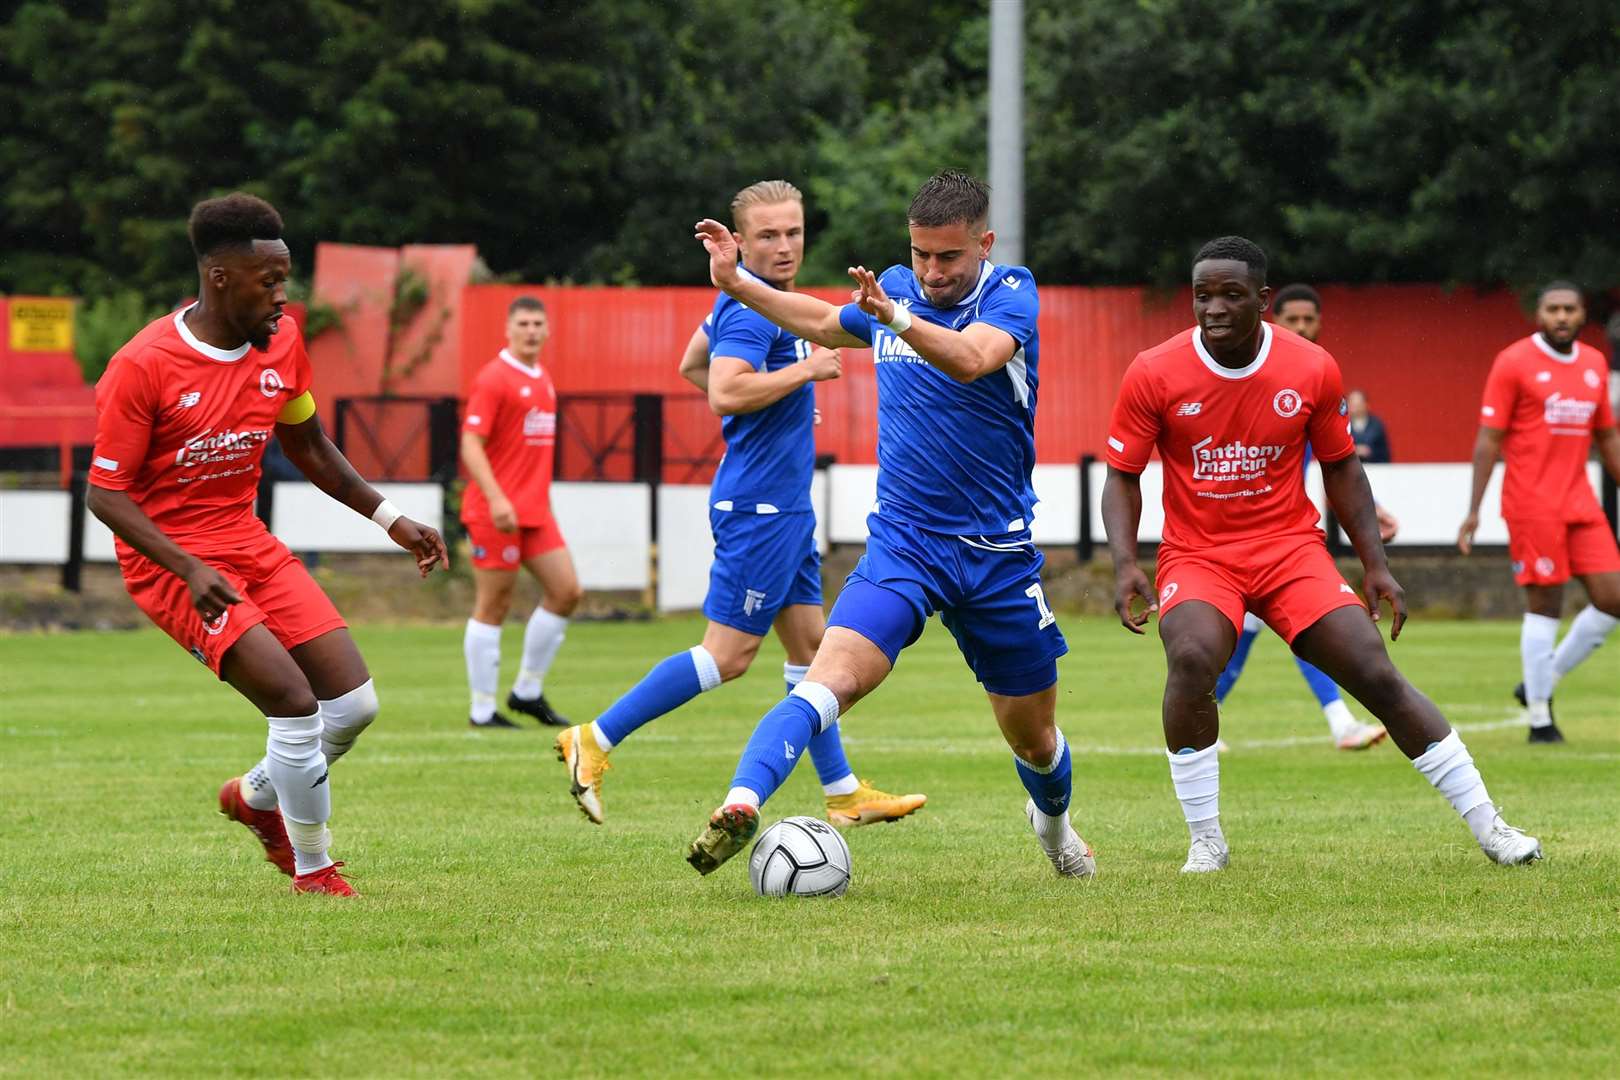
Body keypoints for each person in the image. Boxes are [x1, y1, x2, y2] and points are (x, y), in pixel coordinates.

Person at [683, 170, 1095, 880]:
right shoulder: (894, 288)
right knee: (826, 679)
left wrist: (896, 318)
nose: (932, 273)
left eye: (949, 258)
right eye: (921, 256)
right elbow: (817, 322)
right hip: (905, 545)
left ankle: (1055, 829)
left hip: (998, 557)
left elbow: (971, 360)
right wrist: (737, 282)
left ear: (984, 244)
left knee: (1034, 738)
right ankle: (740, 804)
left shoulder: (1011, 293)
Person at [1102, 236, 1540, 873]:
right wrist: (1123, 563)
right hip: (1200, 555)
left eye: (1231, 294)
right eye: (1202, 295)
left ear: (1264, 300)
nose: (1214, 308)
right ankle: (1206, 840)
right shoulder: (1153, 370)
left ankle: (1492, 826)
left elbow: (1342, 468)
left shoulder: (1310, 366)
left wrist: (1376, 564)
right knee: (1193, 657)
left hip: (1290, 552)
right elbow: (1121, 475)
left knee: (1374, 669)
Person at [87, 193, 449, 896]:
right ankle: (313, 869)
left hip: (246, 541)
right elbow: (105, 494)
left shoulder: (281, 343)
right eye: (269, 282)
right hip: (174, 562)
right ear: (220, 277)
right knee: (292, 702)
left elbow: (307, 444)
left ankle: (254, 798)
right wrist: (188, 567)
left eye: (286, 279)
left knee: (353, 706)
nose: (282, 295)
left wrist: (390, 519)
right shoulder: (144, 365)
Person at [552, 180, 924, 828]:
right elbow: (724, 390)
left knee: (812, 653)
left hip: (780, 506)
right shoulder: (755, 309)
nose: (784, 247)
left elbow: (692, 362)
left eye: (794, 233)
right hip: (760, 509)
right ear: (743, 243)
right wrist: (805, 371)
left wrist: (766, 401)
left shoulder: (752, 301)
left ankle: (841, 792)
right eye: (769, 236)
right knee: (727, 656)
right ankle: (594, 738)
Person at [1214, 283, 1390, 751]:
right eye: (1292, 320)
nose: (1301, 328)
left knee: (1282, 629)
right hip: (1232, 536)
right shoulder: (1255, 376)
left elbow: (1334, 464)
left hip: (1282, 538)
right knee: (1293, 628)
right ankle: (1201, 714)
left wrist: (1374, 512)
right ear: (1272, 316)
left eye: (1309, 320)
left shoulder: (1315, 377)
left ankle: (1205, 714)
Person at [1457, 281, 1620, 742]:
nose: (1562, 317)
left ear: (1583, 313)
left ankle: (1537, 682)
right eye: (1553, 309)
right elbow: (1489, 438)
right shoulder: (1513, 362)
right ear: (1540, 313)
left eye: (1570, 309)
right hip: (1531, 502)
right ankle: (1540, 717)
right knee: (1545, 604)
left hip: (1579, 501)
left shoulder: (1593, 364)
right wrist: (1473, 510)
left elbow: (1606, 436)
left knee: (1613, 599)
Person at [460, 297, 581, 729]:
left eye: (537, 324)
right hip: (496, 511)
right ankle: (482, 709)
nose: (531, 331)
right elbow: (470, 444)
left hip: (534, 511)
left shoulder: (543, 379)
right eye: (523, 323)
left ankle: (527, 691)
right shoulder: (494, 378)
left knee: (566, 590)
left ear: (547, 331)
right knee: (494, 604)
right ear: (508, 330)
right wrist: (496, 498)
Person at [1347, 390, 1392, 463]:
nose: (1356, 409)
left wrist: (1370, 452)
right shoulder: (1343, 426)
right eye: (1353, 405)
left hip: (1374, 468)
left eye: (1358, 405)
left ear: (1366, 404)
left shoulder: (1376, 426)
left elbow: (1384, 453)